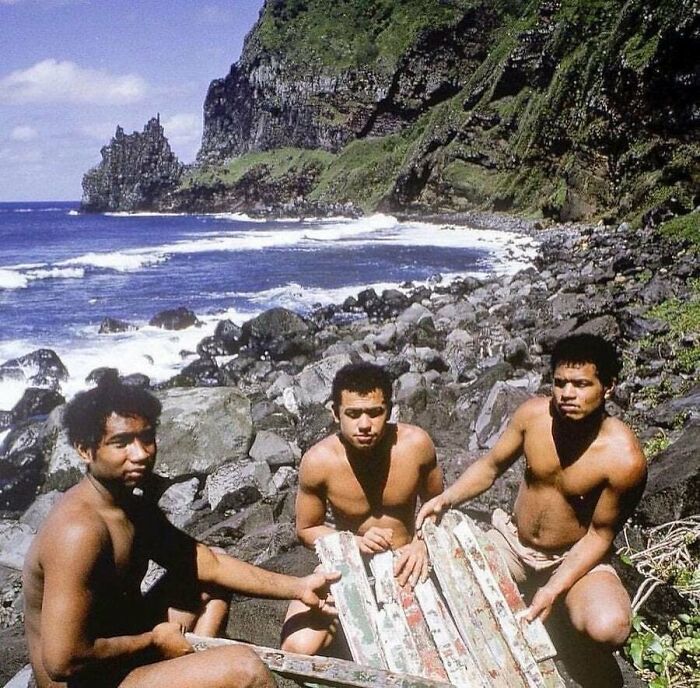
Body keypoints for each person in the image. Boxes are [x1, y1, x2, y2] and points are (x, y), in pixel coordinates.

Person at [23, 373, 339, 688]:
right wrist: (153, 641)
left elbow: (207, 564)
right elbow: (63, 661)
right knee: (246, 669)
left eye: (146, 438)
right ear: (84, 450)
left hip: (118, 654)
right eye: (121, 443)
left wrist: (299, 587)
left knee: (207, 579)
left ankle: (191, 671)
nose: (142, 453)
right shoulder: (79, 531)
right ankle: (199, 672)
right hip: (84, 680)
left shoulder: (128, 504)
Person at [416, 334, 647, 649]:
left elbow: (599, 534)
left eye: (581, 385)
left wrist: (552, 589)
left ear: (608, 387)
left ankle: (563, 614)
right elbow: (490, 467)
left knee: (609, 627)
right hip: (513, 543)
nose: (567, 394)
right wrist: (444, 499)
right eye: (560, 383)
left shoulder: (624, 458)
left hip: (572, 558)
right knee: (439, 576)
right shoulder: (533, 415)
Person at [280, 361, 444, 656]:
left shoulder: (416, 445)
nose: (365, 425)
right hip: (348, 561)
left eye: (375, 413)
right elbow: (306, 529)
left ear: (390, 410)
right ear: (335, 413)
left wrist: (423, 542)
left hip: (408, 561)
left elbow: (438, 506)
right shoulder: (319, 461)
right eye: (353, 414)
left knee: (427, 651)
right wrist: (352, 542)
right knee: (297, 647)